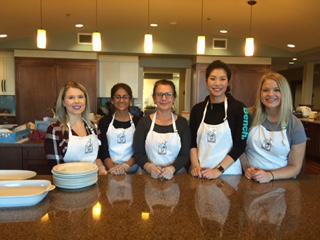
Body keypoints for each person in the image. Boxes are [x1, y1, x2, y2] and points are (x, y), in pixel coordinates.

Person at [241, 72, 306, 183]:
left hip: (281, 181)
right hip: (250, 179)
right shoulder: (247, 116)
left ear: (284, 93)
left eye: (277, 90)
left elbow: (295, 167)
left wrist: (270, 175)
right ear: (260, 93)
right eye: (265, 90)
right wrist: (246, 167)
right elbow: (238, 148)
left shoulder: (294, 124)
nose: (270, 94)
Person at [189, 60, 249, 179]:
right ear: (206, 81)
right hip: (202, 173)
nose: (217, 83)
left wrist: (218, 170)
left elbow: (240, 146)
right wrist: (196, 166)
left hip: (229, 175)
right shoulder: (197, 109)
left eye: (222, 79)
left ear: (228, 82)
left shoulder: (240, 109)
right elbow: (192, 143)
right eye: (213, 78)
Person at [44, 81, 107, 175]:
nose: (77, 101)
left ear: (85, 100)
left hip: (93, 182)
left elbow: (96, 158)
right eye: (71, 97)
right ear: (63, 102)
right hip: (69, 185)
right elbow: (55, 168)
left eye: (80, 97)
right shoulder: (55, 130)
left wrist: (102, 169)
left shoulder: (93, 127)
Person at [133, 79, 190, 180]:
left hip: (176, 176)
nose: (164, 98)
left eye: (168, 94)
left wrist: (172, 168)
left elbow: (185, 155)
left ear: (174, 98)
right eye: (159, 94)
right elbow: (138, 153)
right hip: (148, 175)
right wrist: (149, 167)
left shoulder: (182, 123)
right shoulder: (143, 122)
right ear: (154, 98)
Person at [97, 83, 140, 175]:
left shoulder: (138, 122)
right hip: (110, 168)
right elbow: (103, 150)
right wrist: (113, 168)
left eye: (125, 97)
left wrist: (125, 166)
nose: (121, 100)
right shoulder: (104, 122)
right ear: (112, 100)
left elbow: (139, 150)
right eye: (117, 97)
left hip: (132, 169)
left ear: (130, 100)